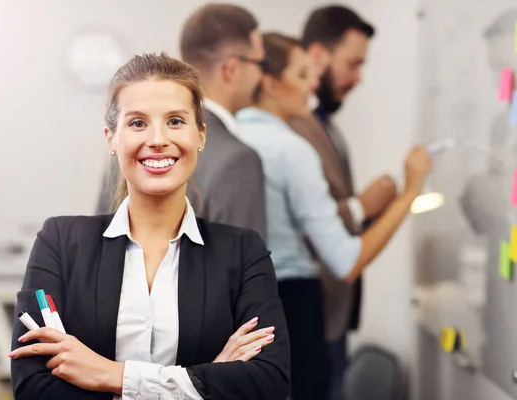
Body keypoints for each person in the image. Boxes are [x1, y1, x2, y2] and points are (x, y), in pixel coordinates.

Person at [9, 53, 290, 400]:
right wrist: (210, 380)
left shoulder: (243, 251)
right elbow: (33, 389)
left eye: (175, 121)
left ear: (201, 135)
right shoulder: (60, 241)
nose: (157, 139)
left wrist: (112, 375)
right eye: (138, 123)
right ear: (111, 138)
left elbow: (269, 382)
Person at [237, 33, 432, 400]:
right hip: (292, 311)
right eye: (302, 74)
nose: (314, 83)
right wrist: (411, 191)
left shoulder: (225, 138)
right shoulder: (291, 150)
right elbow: (347, 261)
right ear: (270, 82)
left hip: (244, 314)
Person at [288, 6, 396, 398]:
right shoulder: (290, 127)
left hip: (333, 314)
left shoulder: (325, 123)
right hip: (306, 316)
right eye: (353, 64)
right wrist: (363, 206)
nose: (358, 78)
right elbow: (299, 223)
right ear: (317, 55)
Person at [178, 4, 267, 240]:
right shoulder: (238, 160)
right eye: (260, 64)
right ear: (232, 69)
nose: (262, 76)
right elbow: (242, 272)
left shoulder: (129, 143)